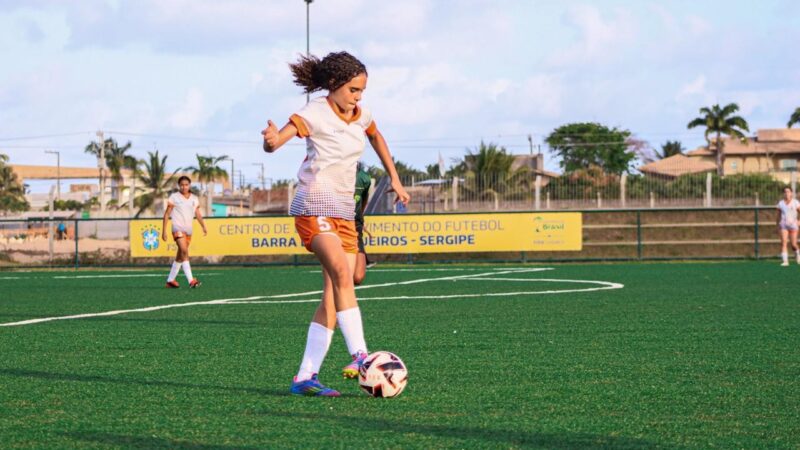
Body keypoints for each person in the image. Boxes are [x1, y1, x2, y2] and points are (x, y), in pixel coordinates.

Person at [261, 51, 410, 397]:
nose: (358, 96)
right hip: (313, 208)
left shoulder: (362, 115)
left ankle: (304, 377)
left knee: (332, 297)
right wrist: (270, 141)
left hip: (344, 214)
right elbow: (278, 141)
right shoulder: (314, 112)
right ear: (334, 85)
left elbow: (377, 137)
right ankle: (360, 356)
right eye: (353, 90)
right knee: (344, 277)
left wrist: (396, 179)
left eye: (362, 90)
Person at [162, 176, 207, 287]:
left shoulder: (194, 198)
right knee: (184, 251)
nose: (184, 187)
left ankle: (170, 280)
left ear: (189, 185)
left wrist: (203, 226)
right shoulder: (174, 197)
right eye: (182, 185)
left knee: (180, 255)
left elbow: (197, 214)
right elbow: (167, 214)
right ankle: (191, 280)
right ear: (179, 185)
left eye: (186, 184)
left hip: (188, 231)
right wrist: (163, 231)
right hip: (177, 229)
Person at [353, 162, 373, 286]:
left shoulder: (363, 178)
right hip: (335, 222)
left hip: (355, 223)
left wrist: (360, 218)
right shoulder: (331, 173)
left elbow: (363, 200)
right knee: (339, 273)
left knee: (358, 277)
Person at [776, 186, 800, 266]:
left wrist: (799, 221)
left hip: (793, 226)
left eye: (788, 191)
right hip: (784, 225)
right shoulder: (781, 203)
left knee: (793, 245)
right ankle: (785, 261)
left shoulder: (795, 202)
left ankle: (797, 254)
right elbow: (778, 215)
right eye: (785, 192)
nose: (787, 193)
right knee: (784, 243)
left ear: (791, 193)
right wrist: (777, 224)